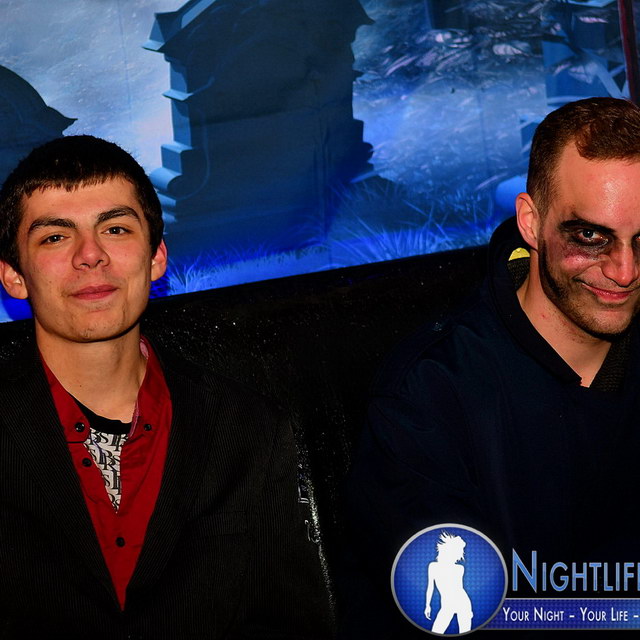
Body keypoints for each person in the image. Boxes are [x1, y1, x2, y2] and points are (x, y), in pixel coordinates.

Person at [0, 135, 332, 639]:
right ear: (14, 277)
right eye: (55, 237)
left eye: (115, 229)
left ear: (156, 258)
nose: (90, 255)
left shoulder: (250, 431)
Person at [341, 97, 640, 637]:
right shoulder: (429, 394)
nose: (624, 271)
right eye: (590, 236)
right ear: (531, 222)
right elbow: (457, 617)